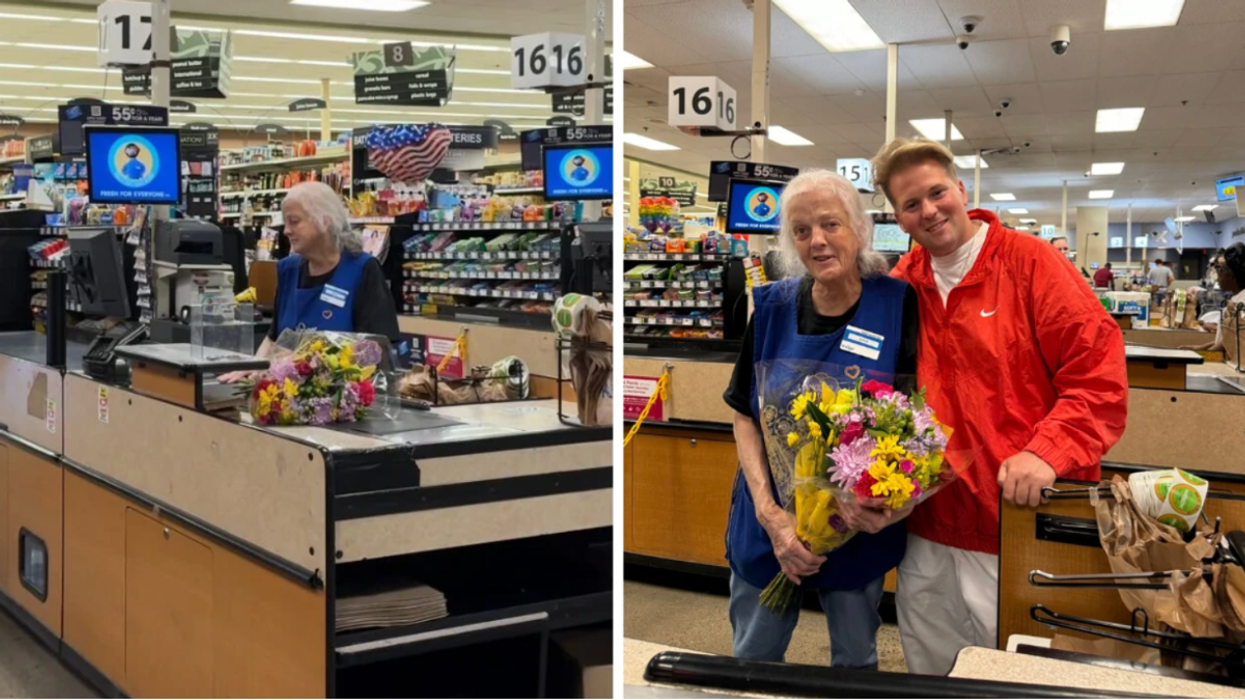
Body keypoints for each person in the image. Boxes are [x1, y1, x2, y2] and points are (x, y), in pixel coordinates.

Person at [870, 137, 1128, 675]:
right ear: (898, 218)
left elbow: (1097, 378)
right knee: (934, 668)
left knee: (1024, 671)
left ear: (961, 190)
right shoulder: (900, 287)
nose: (929, 211)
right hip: (931, 523)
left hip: (1019, 516)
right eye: (911, 205)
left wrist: (1048, 451)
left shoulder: (1033, 264)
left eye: (937, 193)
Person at [722, 169, 920, 669]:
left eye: (831, 224)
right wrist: (772, 518)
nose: (818, 240)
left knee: (855, 661)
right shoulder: (769, 307)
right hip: (770, 520)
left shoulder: (897, 305)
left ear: (859, 228)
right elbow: (744, 414)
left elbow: (913, 419)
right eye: (802, 230)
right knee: (753, 658)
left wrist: (882, 503)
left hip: (854, 522)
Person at [220, 181, 400, 383]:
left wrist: (311, 363)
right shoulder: (287, 269)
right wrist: (254, 367)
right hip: (289, 395)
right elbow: (274, 337)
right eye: (285, 223)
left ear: (325, 221)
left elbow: (378, 350)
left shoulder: (362, 269)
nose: (286, 231)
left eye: (294, 221)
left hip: (345, 396)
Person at [1181, 244, 1245, 353]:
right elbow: (1226, 340)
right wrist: (1201, 347)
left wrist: (1205, 354)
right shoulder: (1237, 298)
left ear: (1232, 276)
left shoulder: (1242, 302)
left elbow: (1237, 339)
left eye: (1220, 275)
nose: (1217, 280)